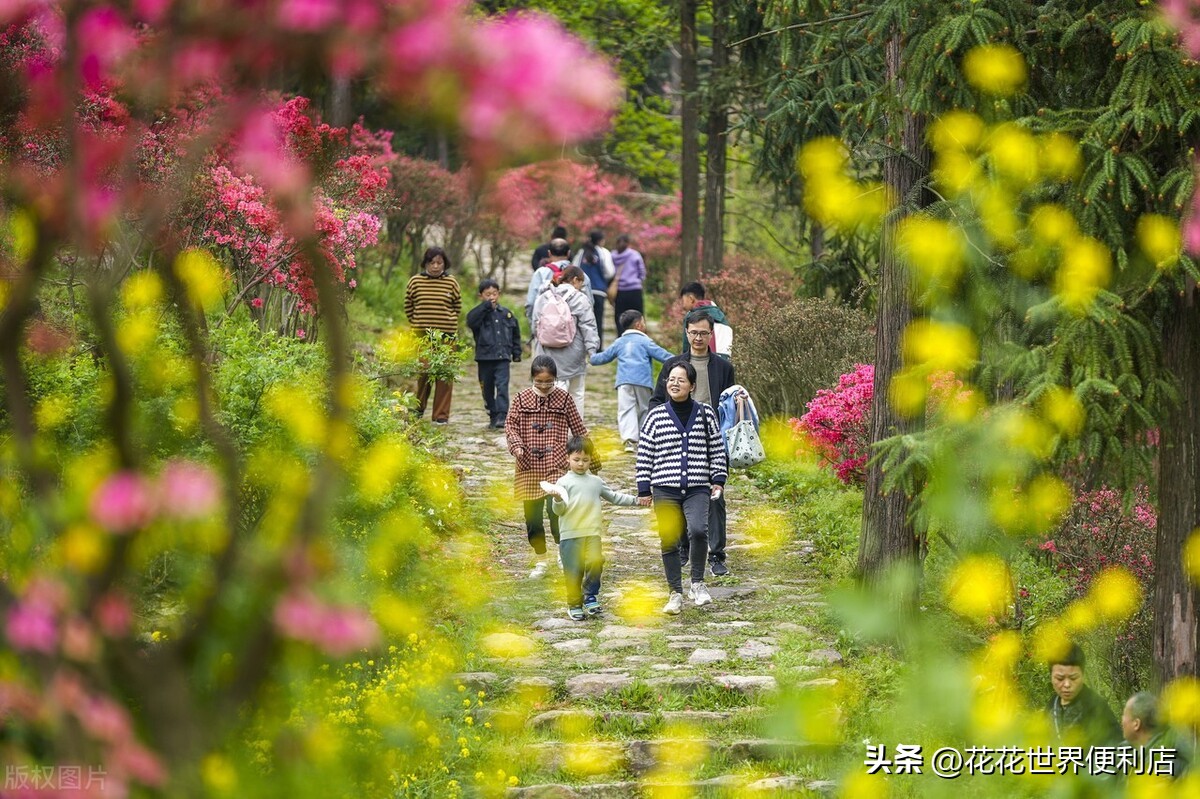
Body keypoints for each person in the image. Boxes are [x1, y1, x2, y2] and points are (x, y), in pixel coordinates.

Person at [637, 361, 728, 614]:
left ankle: (697, 583)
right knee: (669, 540)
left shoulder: (705, 413)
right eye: (671, 379)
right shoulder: (655, 416)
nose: (674, 383)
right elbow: (645, 453)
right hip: (665, 488)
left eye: (681, 380)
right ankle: (674, 592)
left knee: (699, 530)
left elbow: (717, 448)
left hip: (698, 486)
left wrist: (718, 479)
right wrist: (644, 488)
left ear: (692, 386)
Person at [650, 311, 736, 576]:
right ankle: (685, 548)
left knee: (715, 496)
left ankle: (717, 554)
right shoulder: (673, 365)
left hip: (710, 441)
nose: (698, 337)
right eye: (693, 332)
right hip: (676, 441)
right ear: (686, 333)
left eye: (703, 333)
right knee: (679, 494)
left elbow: (728, 403)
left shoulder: (723, 367)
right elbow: (655, 400)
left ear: (712, 335)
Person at [505, 356, 589, 579]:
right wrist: (517, 446)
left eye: (548, 382)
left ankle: (563, 555)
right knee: (532, 521)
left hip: (556, 466)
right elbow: (510, 425)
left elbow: (579, 428)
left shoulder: (564, 399)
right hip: (528, 465)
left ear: (555, 379)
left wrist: (592, 459)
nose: (543, 386)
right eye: (539, 382)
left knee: (557, 515)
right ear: (532, 378)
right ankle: (541, 560)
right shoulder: (521, 398)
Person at [544, 436, 641, 620]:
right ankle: (574, 603)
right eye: (576, 459)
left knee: (596, 562)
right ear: (568, 458)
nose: (581, 464)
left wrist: (637, 501)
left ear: (591, 460)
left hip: (592, 533)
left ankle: (590, 596)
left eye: (585, 460)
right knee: (573, 570)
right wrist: (556, 499)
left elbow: (614, 496)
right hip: (570, 535)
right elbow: (559, 511)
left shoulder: (595, 482)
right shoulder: (562, 483)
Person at [589, 310, 674, 452]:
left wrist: (591, 357)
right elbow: (662, 355)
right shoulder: (646, 341)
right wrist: (680, 359)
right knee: (645, 409)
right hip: (643, 382)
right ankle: (644, 438)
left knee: (626, 409)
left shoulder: (619, 342)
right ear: (639, 325)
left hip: (624, 382)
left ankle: (629, 439)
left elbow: (604, 357)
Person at [404, 247, 461, 424]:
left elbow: (457, 306)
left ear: (445, 264)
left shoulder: (451, 282)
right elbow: (408, 306)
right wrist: (419, 323)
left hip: (446, 337)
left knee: (444, 375)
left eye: (439, 262)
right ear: (426, 263)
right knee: (424, 371)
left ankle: (441, 416)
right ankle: (418, 409)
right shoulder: (415, 281)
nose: (436, 266)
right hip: (423, 336)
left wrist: (446, 323)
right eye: (432, 262)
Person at [531, 265, 599, 416]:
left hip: (547, 352)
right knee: (576, 393)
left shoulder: (543, 297)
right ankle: (575, 433)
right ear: (575, 280)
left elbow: (535, 324)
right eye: (581, 283)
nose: (581, 286)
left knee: (552, 390)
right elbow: (589, 327)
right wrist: (592, 350)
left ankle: (552, 429)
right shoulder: (580, 298)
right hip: (573, 353)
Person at [465, 278, 522, 429]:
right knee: (487, 388)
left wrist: (516, 351)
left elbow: (515, 333)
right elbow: (471, 322)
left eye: (494, 293)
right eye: (487, 294)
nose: (491, 297)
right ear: (480, 296)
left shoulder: (506, 314)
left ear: (499, 294)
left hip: (502, 357)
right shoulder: (478, 314)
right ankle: (493, 413)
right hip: (484, 358)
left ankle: (503, 415)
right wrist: (485, 307)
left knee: (502, 386)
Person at [1045, 643, 1121, 746]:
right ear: (1051, 677)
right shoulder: (1051, 705)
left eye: (1073, 678)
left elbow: (1117, 748)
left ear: (1082, 675)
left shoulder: (1096, 707)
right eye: (1060, 678)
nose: (1067, 685)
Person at [1120, 691, 1192, 777]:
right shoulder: (1143, 754)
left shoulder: (1163, 765)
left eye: (1124, 714)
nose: (1122, 720)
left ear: (1136, 724)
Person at [525, 238, 590, 326]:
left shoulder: (540, 273)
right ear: (568, 253)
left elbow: (531, 303)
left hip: (546, 330)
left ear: (549, 253)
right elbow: (589, 303)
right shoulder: (581, 275)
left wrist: (534, 326)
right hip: (574, 330)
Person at [572, 228, 615, 347]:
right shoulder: (603, 252)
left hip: (582, 292)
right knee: (597, 320)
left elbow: (574, 268)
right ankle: (597, 346)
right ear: (601, 241)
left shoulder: (581, 252)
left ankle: (582, 346)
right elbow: (610, 272)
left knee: (582, 320)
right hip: (599, 290)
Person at [678, 281, 731, 358]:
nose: (683, 305)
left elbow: (687, 347)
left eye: (683, 301)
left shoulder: (691, 316)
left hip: (702, 360)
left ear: (691, 298)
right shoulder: (720, 315)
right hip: (724, 360)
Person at [610, 234, 647, 336]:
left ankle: (622, 338)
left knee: (620, 317)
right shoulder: (635, 255)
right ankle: (638, 338)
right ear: (628, 243)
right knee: (638, 316)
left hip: (620, 291)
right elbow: (642, 273)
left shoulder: (612, 256)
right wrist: (637, 280)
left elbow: (608, 272)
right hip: (634, 290)